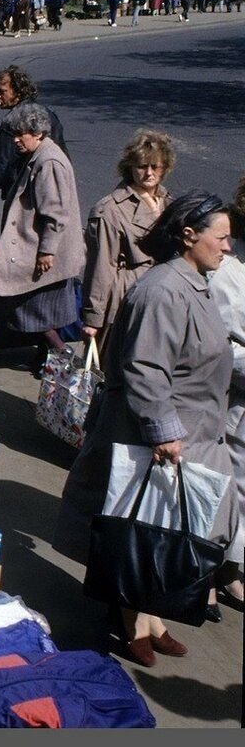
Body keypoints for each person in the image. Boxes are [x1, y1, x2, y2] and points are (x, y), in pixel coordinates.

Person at [55, 191, 235, 666]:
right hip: (154, 437)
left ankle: (150, 617)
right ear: (188, 235)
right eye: (222, 238)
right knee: (141, 530)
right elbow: (145, 370)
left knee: (162, 529)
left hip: (189, 434)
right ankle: (129, 616)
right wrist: (163, 433)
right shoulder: (161, 290)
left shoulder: (191, 282)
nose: (228, 248)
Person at [0, 103, 84, 366]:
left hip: (43, 257)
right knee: (41, 316)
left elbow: (55, 212)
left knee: (34, 314)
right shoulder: (38, 156)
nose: (16, 140)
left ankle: (66, 362)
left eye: (22, 135)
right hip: (38, 253)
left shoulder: (48, 161)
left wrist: (47, 250)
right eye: (14, 135)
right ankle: (49, 360)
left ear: (39, 133)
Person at [80, 130, 175, 358]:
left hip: (162, 296)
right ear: (130, 166)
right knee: (116, 367)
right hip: (125, 296)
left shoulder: (167, 202)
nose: (149, 173)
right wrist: (93, 319)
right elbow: (101, 267)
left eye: (156, 166)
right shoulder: (110, 209)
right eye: (142, 166)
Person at [208, 178, 245, 611]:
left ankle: (232, 570)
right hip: (231, 405)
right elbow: (216, 345)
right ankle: (214, 574)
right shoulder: (227, 269)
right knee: (228, 492)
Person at [0, 65, 67, 223]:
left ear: (18, 92)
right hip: (51, 196)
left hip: (22, 198)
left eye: (3, 92)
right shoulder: (49, 114)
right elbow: (63, 156)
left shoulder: (14, 121)